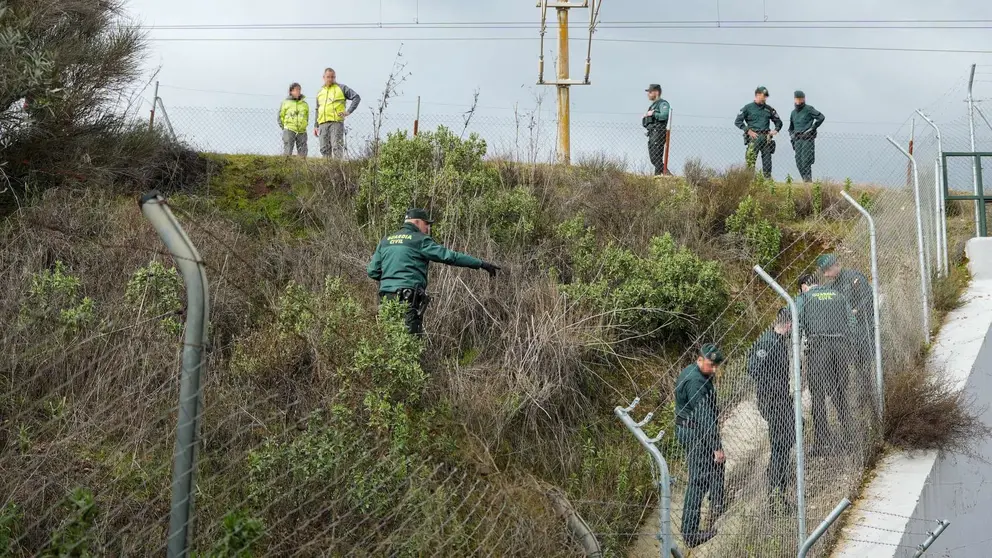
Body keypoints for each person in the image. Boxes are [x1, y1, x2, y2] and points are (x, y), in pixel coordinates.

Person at [366, 208, 501, 335]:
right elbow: (450, 257)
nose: (428, 228)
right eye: (426, 224)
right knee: (409, 341)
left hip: (386, 299)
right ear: (417, 222)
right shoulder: (419, 240)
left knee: (388, 338)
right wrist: (481, 264)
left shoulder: (386, 241)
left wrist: (391, 280)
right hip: (407, 299)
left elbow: (372, 271)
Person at [796, 273, 857, 455]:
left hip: (818, 348)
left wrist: (798, 355)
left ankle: (823, 442)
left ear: (804, 286)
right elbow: (852, 322)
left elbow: (797, 325)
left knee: (818, 396)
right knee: (839, 393)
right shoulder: (838, 295)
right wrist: (847, 345)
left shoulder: (804, 298)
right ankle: (850, 437)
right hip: (840, 348)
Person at [674, 343, 726, 548]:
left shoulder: (696, 372)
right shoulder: (695, 381)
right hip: (695, 432)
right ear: (699, 360)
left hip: (694, 428)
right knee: (698, 479)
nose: (714, 370)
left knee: (714, 467)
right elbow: (704, 417)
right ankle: (690, 532)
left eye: (716, 366)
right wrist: (716, 446)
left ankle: (718, 502)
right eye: (711, 365)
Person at [747, 308, 796, 511]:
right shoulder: (768, 342)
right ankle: (775, 490)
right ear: (788, 325)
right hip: (772, 401)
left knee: (789, 436)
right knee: (780, 442)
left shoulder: (778, 340)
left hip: (782, 399)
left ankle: (778, 480)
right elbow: (752, 368)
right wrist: (774, 385)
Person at [819, 254, 877, 413]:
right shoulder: (832, 287)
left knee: (865, 364)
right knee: (857, 366)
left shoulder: (854, 278)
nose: (825, 275)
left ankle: (869, 397)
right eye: (824, 272)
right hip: (848, 334)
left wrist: (854, 312)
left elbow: (868, 298)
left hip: (863, 328)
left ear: (834, 266)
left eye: (827, 271)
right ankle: (864, 397)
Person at [735, 86, 783, 179]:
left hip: (766, 138)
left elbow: (778, 122)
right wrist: (748, 131)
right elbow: (738, 121)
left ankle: (767, 179)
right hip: (754, 137)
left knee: (767, 160)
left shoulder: (769, 109)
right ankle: (749, 180)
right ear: (757, 95)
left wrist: (776, 130)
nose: (765, 98)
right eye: (763, 96)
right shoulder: (748, 108)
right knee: (750, 160)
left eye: (766, 96)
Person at [314, 68, 361, 159]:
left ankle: (337, 170)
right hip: (322, 123)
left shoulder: (342, 88)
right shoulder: (320, 92)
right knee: (324, 148)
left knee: (337, 146)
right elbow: (317, 109)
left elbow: (356, 97)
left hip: (336, 122)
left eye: (333, 77)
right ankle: (326, 170)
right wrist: (316, 126)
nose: (330, 79)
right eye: (328, 77)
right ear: (324, 77)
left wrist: (348, 111)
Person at [788, 91, 825, 182]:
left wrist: (813, 128)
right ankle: (805, 181)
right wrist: (792, 136)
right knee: (798, 162)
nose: (799, 100)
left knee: (806, 161)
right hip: (797, 140)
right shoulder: (793, 113)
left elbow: (821, 117)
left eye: (801, 98)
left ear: (804, 99)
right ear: (794, 99)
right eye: (797, 99)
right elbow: (791, 128)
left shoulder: (809, 109)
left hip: (807, 139)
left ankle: (808, 182)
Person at [642, 84, 671, 176]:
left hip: (658, 132)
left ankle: (667, 175)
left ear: (656, 92)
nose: (648, 94)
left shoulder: (663, 104)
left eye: (650, 92)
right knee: (654, 158)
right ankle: (659, 176)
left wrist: (653, 114)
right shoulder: (652, 106)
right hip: (652, 133)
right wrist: (646, 117)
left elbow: (664, 115)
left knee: (656, 157)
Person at [278, 83, 309, 158]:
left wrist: (304, 125)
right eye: (296, 90)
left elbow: (307, 117)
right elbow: (280, 116)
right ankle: (286, 166)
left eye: (299, 90)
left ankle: (303, 166)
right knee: (288, 150)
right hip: (289, 129)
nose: (298, 91)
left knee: (303, 152)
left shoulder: (304, 104)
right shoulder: (285, 103)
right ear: (291, 91)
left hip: (302, 130)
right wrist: (285, 127)